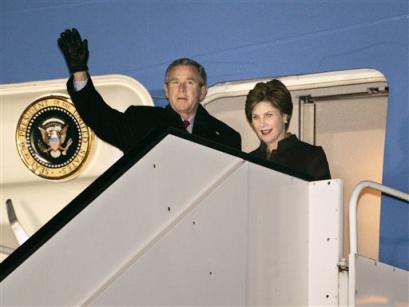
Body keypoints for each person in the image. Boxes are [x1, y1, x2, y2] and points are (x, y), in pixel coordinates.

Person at [58, 28, 241, 154]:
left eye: (190, 82)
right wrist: (79, 71)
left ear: (202, 92)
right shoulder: (140, 121)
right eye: (175, 82)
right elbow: (99, 117)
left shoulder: (227, 138)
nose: (182, 89)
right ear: (166, 91)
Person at [245, 79, 331, 180]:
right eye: (256, 117)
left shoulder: (311, 156)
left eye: (268, 115)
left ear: (285, 116)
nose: (262, 123)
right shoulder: (246, 162)